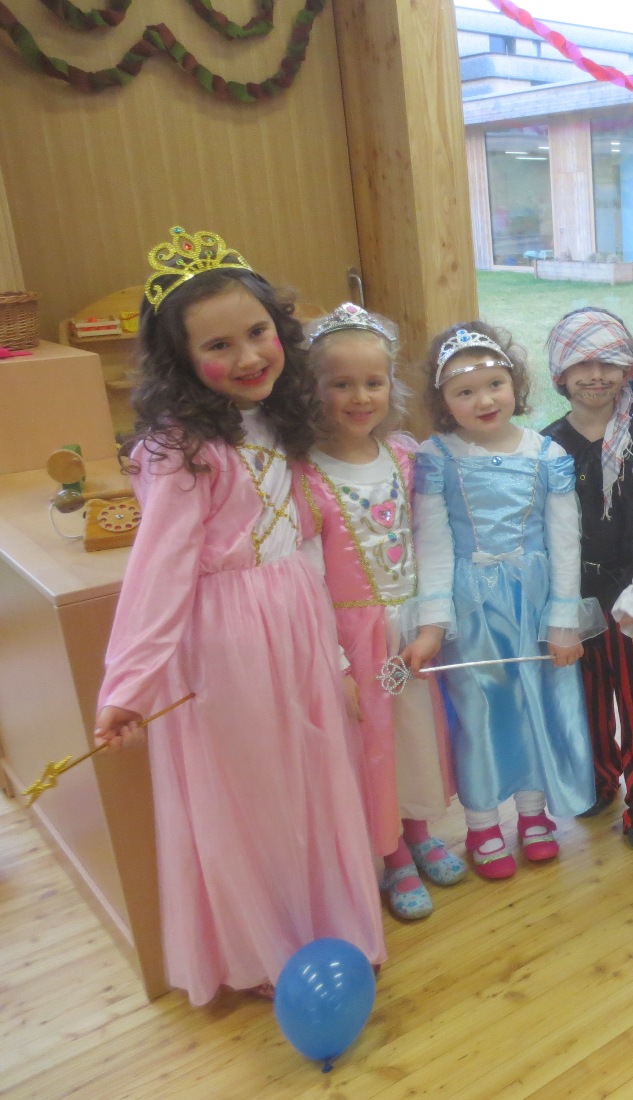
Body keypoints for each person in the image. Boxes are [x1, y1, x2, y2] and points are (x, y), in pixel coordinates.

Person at [93, 228, 385, 1004]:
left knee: (310, 774)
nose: (249, 355)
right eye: (219, 345)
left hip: (293, 614)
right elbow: (157, 575)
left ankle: (321, 924)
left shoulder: (275, 418)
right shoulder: (181, 451)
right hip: (228, 638)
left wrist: (337, 650)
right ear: (182, 360)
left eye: (258, 332)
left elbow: (307, 536)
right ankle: (265, 945)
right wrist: (129, 686)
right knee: (252, 791)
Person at [413, 321, 602, 879]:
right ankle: (481, 822)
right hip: (472, 609)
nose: (483, 400)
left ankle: (533, 811)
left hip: (535, 605)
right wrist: (433, 621)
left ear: (515, 383)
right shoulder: (437, 457)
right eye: (464, 391)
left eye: (494, 384)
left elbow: (565, 542)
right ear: (443, 402)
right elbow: (433, 544)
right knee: (479, 709)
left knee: (535, 701)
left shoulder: (547, 455)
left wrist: (563, 621)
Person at [296, 303, 463, 920]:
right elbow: (308, 577)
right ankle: (390, 853)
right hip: (354, 639)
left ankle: (418, 831)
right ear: (312, 390)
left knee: (416, 734)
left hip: (409, 630)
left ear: (392, 385)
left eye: (374, 381)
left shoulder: (404, 456)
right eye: (341, 383)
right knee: (373, 744)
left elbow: (430, 540)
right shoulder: (304, 474)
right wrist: (335, 661)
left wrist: (431, 624)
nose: (360, 397)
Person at [542, 307, 633, 850]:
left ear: (627, 371)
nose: (596, 375)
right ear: (561, 374)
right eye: (582, 364)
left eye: (608, 364)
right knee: (586, 696)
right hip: (572, 595)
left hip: (628, 589)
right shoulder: (547, 446)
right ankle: (597, 781)